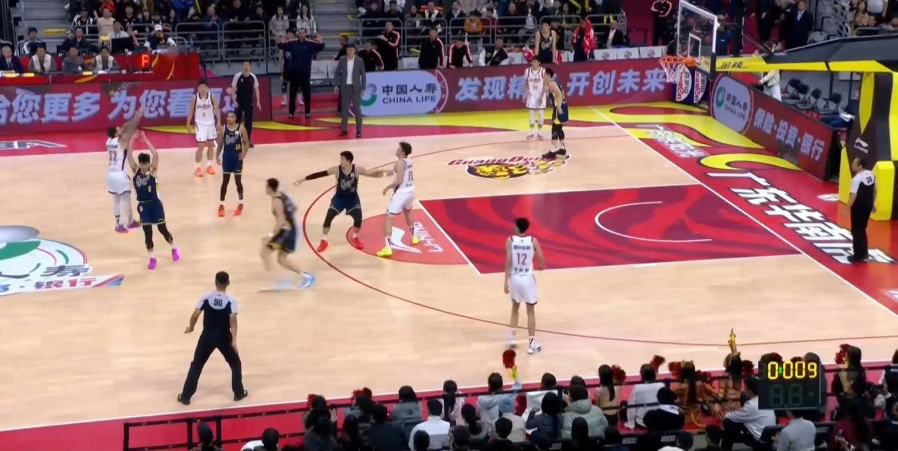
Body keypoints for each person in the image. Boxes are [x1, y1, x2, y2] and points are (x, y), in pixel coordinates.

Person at [177, 271, 247, 405]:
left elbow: (195, 314)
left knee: (196, 365)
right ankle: (238, 393)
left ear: (215, 282)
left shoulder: (206, 297)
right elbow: (233, 321)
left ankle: (185, 396)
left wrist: (191, 327)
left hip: (207, 337)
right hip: (224, 338)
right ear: (228, 283)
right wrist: (234, 341)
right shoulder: (231, 301)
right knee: (235, 363)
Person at [295, 151, 385, 252]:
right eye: (340, 159)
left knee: (358, 218)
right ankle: (324, 240)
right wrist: (302, 179)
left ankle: (355, 237)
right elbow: (320, 174)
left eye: (342, 159)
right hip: (339, 198)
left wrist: (382, 173)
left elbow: (369, 174)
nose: (340, 161)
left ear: (348, 161)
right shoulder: (336, 169)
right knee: (329, 217)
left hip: (352, 198)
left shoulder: (357, 169)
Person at [127, 131, 180, 270]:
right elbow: (129, 156)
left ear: (149, 163)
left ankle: (174, 247)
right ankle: (152, 257)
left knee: (163, 230)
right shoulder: (136, 171)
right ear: (139, 164)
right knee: (147, 233)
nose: (144, 166)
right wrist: (132, 140)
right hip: (143, 207)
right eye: (142, 164)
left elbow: (155, 154)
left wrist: (145, 140)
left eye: (146, 164)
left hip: (155, 205)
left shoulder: (153, 171)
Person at [262, 178, 316, 289]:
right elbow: (294, 208)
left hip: (285, 231)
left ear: (270, 188)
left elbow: (280, 221)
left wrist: (270, 235)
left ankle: (273, 280)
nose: (265, 188)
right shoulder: (283, 195)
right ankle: (306, 276)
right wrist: (289, 218)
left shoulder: (276, 201)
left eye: (266, 186)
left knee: (265, 253)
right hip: (292, 228)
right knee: (281, 259)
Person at [504, 217, 546, 354]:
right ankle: (531, 344)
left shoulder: (510, 241)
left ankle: (511, 338)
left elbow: (508, 262)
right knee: (530, 311)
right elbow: (541, 260)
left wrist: (505, 282)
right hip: (528, 279)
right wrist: (540, 267)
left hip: (515, 278)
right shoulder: (533, 240)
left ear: (517, 227)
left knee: (515, 308)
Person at [106, 107, 143, 233]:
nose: (119, 128)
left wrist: (130, 121)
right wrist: (138, 116)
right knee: (125, 199)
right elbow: (130, 128)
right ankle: (125, 223)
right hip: (119, 175)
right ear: (116, 134)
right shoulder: (121, 141)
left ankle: (120, 223)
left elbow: (125, 127)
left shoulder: (108, 141)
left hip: (110, 175)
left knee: (116, 200)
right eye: (118, 129)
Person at [377, 142, 417, 258]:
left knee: (388, 218)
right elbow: (399, 172)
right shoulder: (409, 161)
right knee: (408, 212)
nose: (397, 149)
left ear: (403, 152)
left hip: (401, 194)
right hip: (411, 191)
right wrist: (385, 173)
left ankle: (387, 248)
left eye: (399, 148)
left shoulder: (399, 163)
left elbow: (399, 180)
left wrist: (387, 187)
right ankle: (414, 236)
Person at [276, 28, 325, 119]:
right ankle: (291, 112)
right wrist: (278, 42)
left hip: (305, 73)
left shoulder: (310, 43)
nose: (301, 34)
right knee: (292, 94)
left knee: (307, 94)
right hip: (294, 73)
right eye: (300, 33)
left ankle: (307, 111)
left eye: (303, 33)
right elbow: (282, 46)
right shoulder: (292, 43)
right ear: (298, 34)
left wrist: (321, 41)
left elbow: (320, 47)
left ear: (306, 34)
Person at [720, 377, 776, 450]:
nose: (743, 391)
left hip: (759, 441)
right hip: (768, 437)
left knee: (728, 423)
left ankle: (724, 449)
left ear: (750, 391)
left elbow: (733, 416)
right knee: (732, 427)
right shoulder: (764, 400)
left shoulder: (751, 405)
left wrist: (725, 416)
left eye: (745, 388)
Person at [215, 111, 249, 217]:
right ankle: (221, 204)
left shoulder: (241, 129)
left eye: (231, 116)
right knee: (225, 182)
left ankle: (241, 203)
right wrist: (217, 156)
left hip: (237, 160)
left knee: (238, 181)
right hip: (227, 159)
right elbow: (220, 144)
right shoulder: (223, 129)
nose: (229, 118)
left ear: (235, 119)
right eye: (228, 116)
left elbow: (247, 142)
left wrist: (244, 154)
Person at [187, 79, 221, 178]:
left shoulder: (212, 97)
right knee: (201, 145)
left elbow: (217, 110)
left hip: (211, 124)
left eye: (204, 87)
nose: (202, 89)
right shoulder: (195, 98)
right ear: (198, 88)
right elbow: (191, 111)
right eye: (200, 87)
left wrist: (219, 122)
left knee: (210, 144)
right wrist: (188, 123)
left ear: (207, 87)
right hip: (200, 124)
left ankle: (209, 165)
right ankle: (197, 167)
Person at [334, 43, 366, 138]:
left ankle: (359, 130)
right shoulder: (342, 59)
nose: (349, 52)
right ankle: (344, 129)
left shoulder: (359, 60)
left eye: (351, 50)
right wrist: (336, 85)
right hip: (345, 88)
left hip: (355, 88)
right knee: (344, 110)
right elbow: (336, 73)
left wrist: (363, 88)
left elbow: (363, 75)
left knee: (357, 110)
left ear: (355, 51)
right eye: (348, 50)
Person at [848, 157, 876, 263]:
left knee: (856, 231)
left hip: (858, 207)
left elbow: (853, 195)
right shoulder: (871, 174)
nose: (852, 165)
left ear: (860, 166)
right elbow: (875, 190)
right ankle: (864, 253)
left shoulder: (856, 179)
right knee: (862, 228)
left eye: (854, 163)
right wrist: (872, 203)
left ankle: (858, 256)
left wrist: (846, 208)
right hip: (867, 205)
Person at [231, 61, 262, 148]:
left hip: (249, 102)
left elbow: (256, 89)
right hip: (239, 101)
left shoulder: (253, 77)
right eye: (244, 65)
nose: (246, 67)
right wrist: (234, 101)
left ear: (250, 67)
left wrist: (258, 102)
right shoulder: (237, 76)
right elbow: (233, 89)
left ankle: (247, 141)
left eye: (248, 65)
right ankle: (236, 141)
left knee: (248, 122)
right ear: (242, 66)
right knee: (237, 121)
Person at [625, 364, 665, 429]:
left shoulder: (637, 387)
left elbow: (631, 406)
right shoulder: (661, 385)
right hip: (658, 420)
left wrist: (630, 422)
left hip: (642, 422)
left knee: (624, 405)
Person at [541, 68, 568, 161]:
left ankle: (552, 152)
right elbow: (560, 95)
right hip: (562, 105)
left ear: (548, 75)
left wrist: (559, 107)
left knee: (555, 128)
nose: (543, 76)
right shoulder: (553, 83)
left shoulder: (552, 84)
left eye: (544, 74)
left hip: (559, 107)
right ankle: (562, 148)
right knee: (559, 128)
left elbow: (560, 94)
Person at [524, 57, 546, 140]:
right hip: (531, 95)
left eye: (535, 62)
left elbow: (545, 85)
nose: (533, 63)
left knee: (540, 113)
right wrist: (524, 94)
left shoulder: (543, 71)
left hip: (540, 94)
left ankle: (540, 132)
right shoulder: (528, 71)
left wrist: (542, 96)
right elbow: (526, 83)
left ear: (539, 62)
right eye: (532, 62)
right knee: (531, 113)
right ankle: (532, 131)